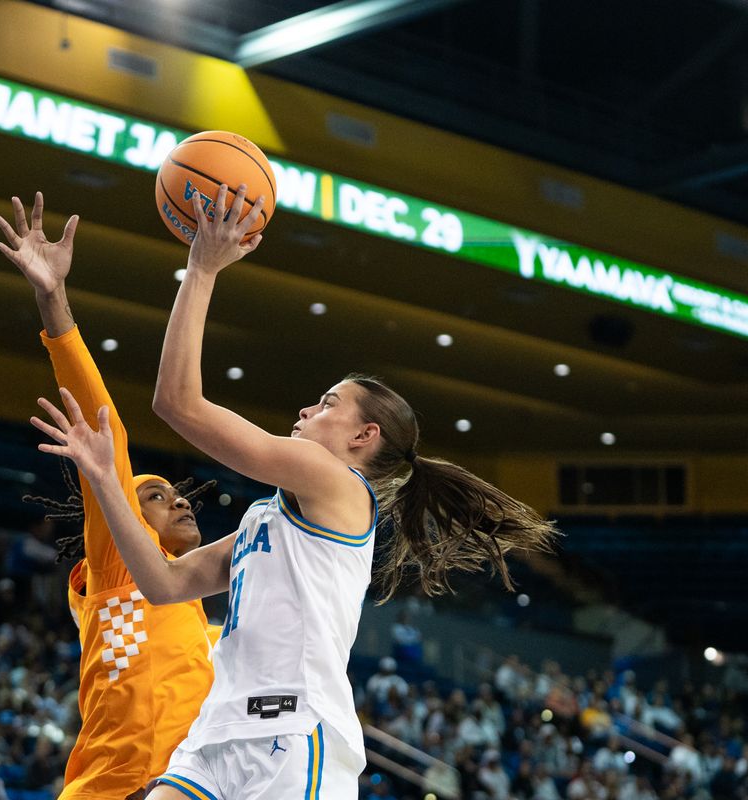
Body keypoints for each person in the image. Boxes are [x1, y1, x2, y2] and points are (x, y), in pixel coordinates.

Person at [31, 183, 558, 800]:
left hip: (293, 735)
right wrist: (103, 481)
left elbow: (178, 404)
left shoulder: (340, 486)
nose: (309, 407)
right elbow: (165, 584)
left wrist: (202, 266)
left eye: (329, 402)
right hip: (213, 738)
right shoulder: (266, 517)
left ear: (365, 434)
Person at [0, 192, 220, 799]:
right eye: (155, 497)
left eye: (175, 495)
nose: (180, 502)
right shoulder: (121, 569)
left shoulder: (209, 632)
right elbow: (107, 430)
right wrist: (52, 299)